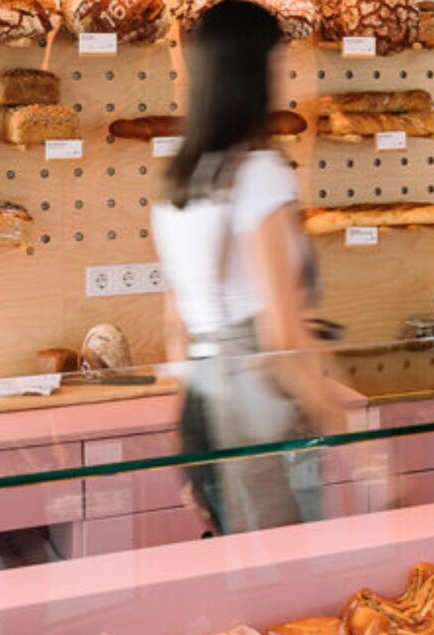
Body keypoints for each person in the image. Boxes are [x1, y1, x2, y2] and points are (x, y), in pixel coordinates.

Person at [151, 0, 339, 535]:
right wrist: (360, 443)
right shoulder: (259, 174)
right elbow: (281, 334)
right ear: (258, 71)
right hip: (259, 409)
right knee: (290, 592)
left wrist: (188, 443)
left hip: (204, 409)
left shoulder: (183, 180)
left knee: (243, 583)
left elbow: (176, 331)